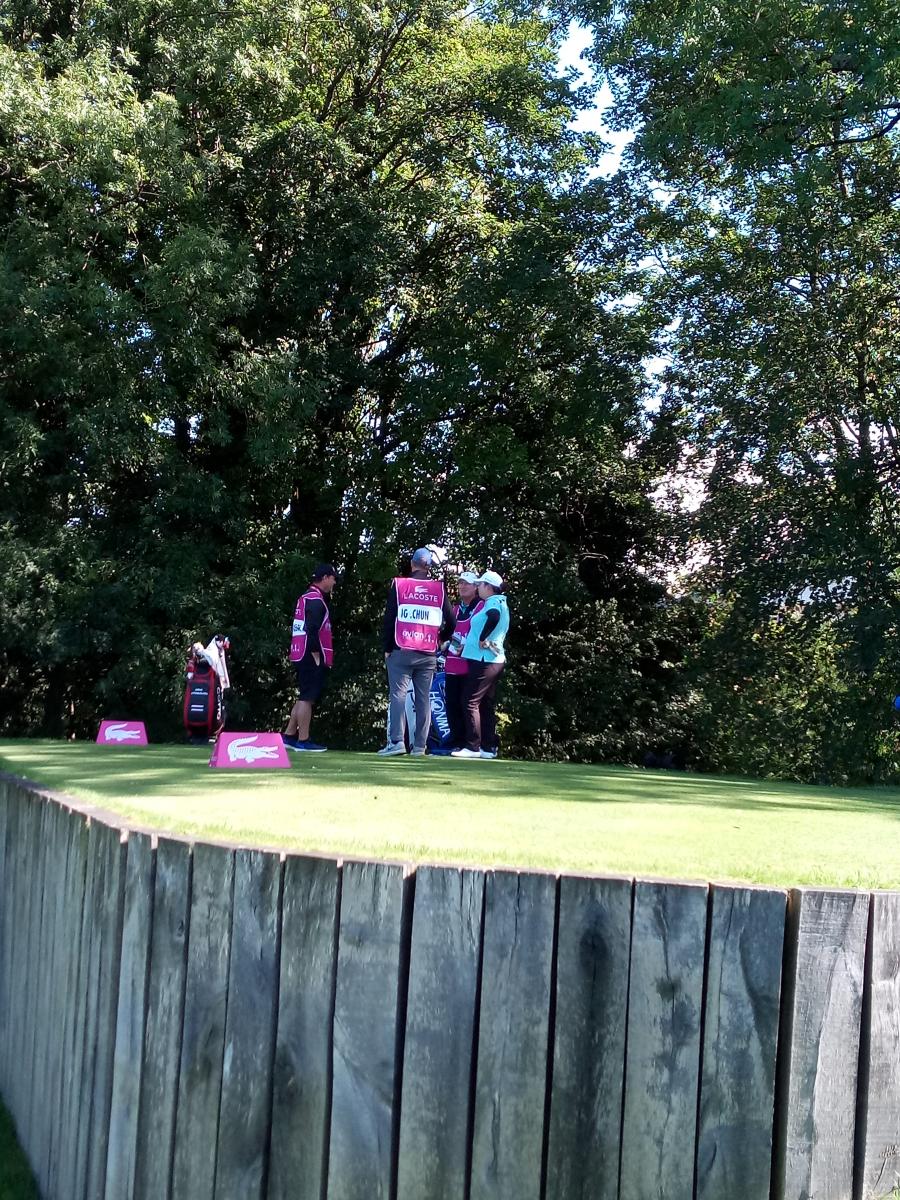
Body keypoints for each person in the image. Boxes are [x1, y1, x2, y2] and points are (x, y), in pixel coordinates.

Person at [378, 547, 455, 757]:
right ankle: (420, 746)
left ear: (412, 564)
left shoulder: (400, 585)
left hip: (401, 648)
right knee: (423, 699)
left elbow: (389, 619)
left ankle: (397, 742)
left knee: (398, 696)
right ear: (429, 567)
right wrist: (441, 639)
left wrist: (387, 648)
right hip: (428, 652)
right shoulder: (438, 589)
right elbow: (452, 621)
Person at [451, 570, 509, 760]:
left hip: (484, 660)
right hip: (492, 659)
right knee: (484, 703)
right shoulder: (500, 601)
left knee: (469, 701)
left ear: (488, 587)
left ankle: (473, 746)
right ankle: (487, 747)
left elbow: (493, 617)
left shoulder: (492, 602)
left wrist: (483, 637)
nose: (478, 588)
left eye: (480, 584)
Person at [283, 564, 337, 752]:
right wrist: (316, 654)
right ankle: (303, 740)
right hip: (310, 654)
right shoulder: (315, 600)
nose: (334, 583)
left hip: (299, 651)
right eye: (333, 578)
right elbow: (312, 629)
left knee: (304, 695)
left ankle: (289, 736)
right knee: (308, 698)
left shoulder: (306, 597)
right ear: (325, 578)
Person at [442, 571, 484, 750]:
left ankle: (472, 742)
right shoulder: (455, 609)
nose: (462, 586)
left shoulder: (481, 607)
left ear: (476, 587)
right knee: (452, 704)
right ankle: (456, 740)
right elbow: (450, 633)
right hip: (452, 663)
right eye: (460, 583)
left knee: (468, 705)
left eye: (466, 583)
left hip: (471, 665)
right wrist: (445, 644)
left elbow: (481, 633)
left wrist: (465, 646)